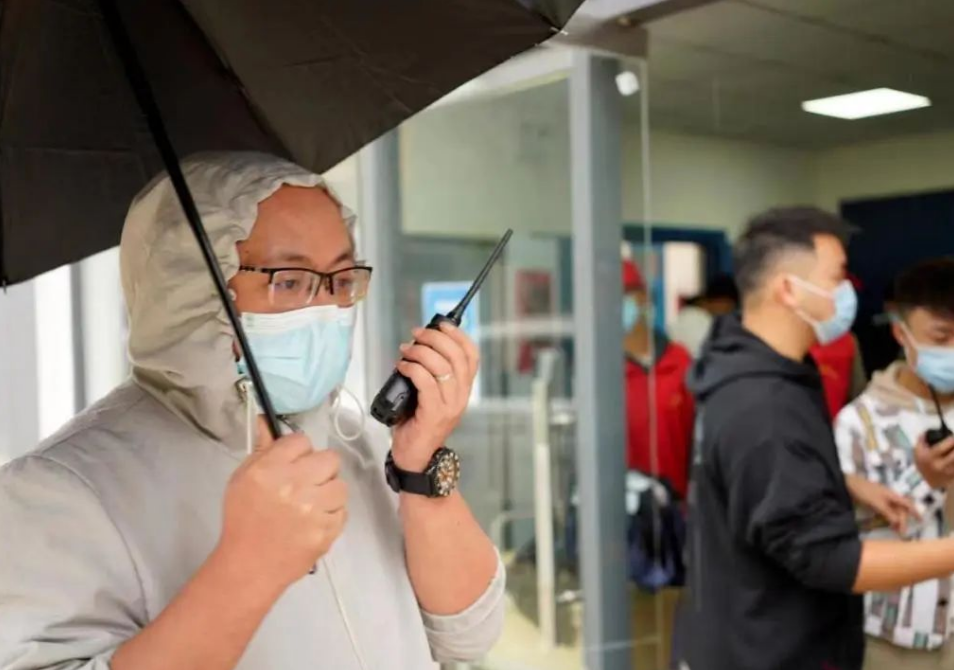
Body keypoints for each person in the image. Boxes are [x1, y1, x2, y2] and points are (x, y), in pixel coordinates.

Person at [0, 153, 504, 670]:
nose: (326, 309)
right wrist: (247, 568)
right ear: (192, 294)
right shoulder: (59, 492)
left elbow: (468, 635)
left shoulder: (353, 440)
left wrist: (418, 468)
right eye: (289, 281)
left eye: (340, 278)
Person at [681, 206, 954, 670]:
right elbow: (830, 559)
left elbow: (767, 487)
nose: (848, 292)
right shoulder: (764, 407)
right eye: (837, 277)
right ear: (789, 289)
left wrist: (847, 483)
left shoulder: (757, 373)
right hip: (768, 649)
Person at [835, 257, 954, 669]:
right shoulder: (859, 423)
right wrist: (924, 480)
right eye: (942, 336)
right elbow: (853, 543)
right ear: (901, 333)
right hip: (897, 635)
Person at [622, 259, 695, 498]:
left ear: (643, 297)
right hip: (627, 507)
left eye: (624, 294)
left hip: (679, 504)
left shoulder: (680, 362)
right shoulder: (603, 374)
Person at [669, 274, 739, 359]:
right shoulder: (701, 324)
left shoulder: (684, 316)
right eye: (728, 307)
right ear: (721, 301)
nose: (728, 313)